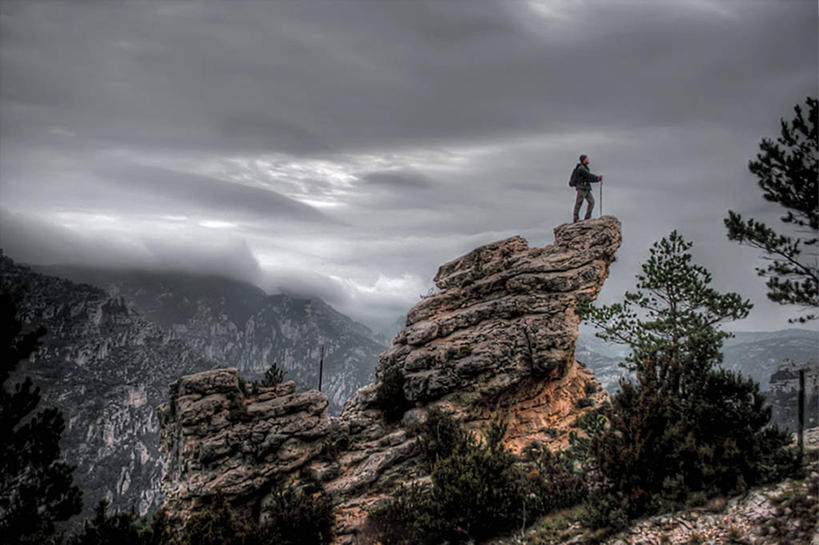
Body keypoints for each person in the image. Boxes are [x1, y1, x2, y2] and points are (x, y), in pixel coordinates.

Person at [570, 154, 603, 222]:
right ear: (584, 160)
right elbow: (588, 176)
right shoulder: (581, 168)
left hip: (586, 188)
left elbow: (588, 178)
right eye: (587, 159)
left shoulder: (584, 168)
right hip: (582, 188)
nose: (588, 160)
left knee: (591, 202)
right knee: (579, 202)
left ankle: (587, 218)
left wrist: (597, 179)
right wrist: (597, 178)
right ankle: (576, 219)